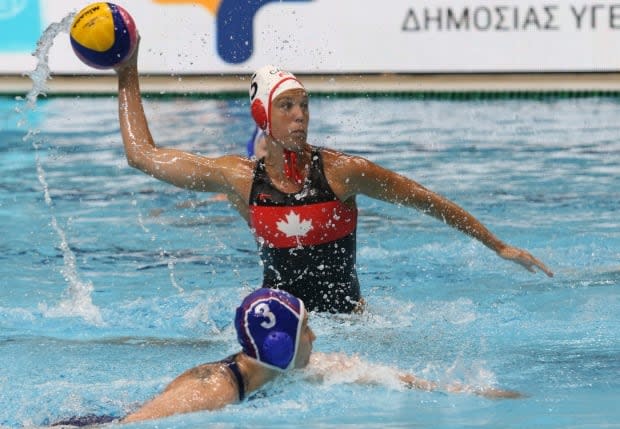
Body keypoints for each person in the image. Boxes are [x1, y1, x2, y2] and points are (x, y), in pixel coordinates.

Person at [115, 44, 553, 313]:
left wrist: (497, 245)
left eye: (304, 104)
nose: (301, 115)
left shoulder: (343, 173)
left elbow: (426, 201)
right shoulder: (239, 179)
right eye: (287, 106)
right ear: (263, 116)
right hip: (282, 325)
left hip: (350, 324)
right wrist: (126, 70)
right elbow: (142, 156)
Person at [52, 289, 522, 426]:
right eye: (306, 329)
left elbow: (373, 374)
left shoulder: (289, 370)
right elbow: (131, 427)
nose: (316, 338)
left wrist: (461, 391)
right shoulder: (210, 390)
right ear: (278, 344)